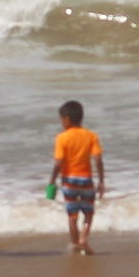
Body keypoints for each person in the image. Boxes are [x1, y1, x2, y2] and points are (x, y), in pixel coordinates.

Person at [49, 101, 106, 256]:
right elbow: (98, 159)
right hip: (86, 179)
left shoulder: (62, 138)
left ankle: (75, 244)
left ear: (67, 119)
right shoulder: (91, 136)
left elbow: (58, 162)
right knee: (88, 213)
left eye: (61, 119)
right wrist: (101, 181)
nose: (61, 123)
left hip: (69, 180)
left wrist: (52, 181)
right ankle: (84, 239)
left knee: (72, 215)